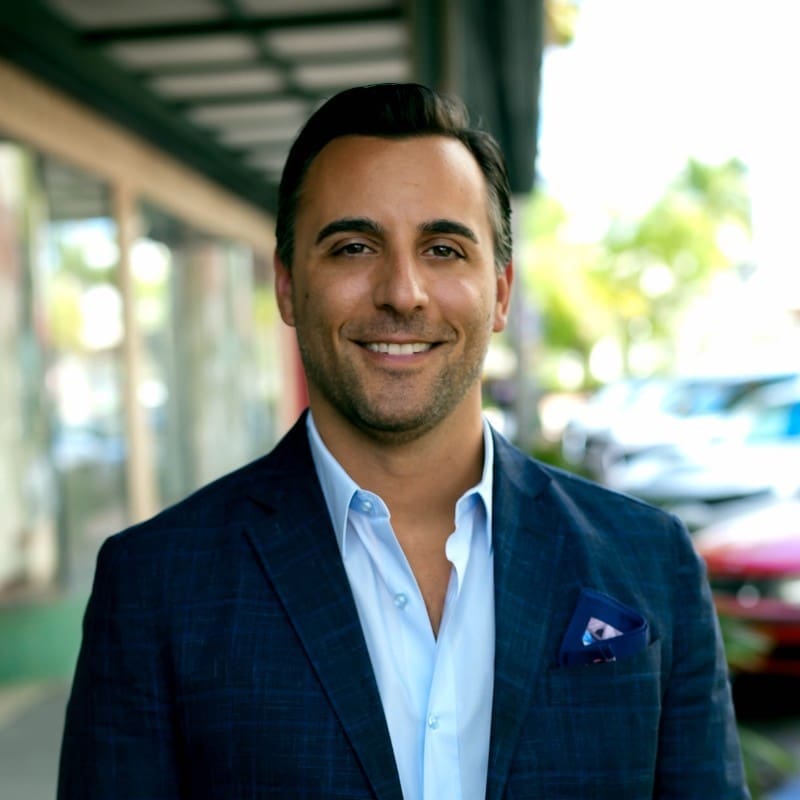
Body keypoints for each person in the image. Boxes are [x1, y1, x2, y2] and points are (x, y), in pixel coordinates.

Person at [57, 83, 749, 799]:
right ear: (289, 287)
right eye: (354, 246)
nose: (403, 291)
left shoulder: (650, 561)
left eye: (444, 248)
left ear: (502, 291)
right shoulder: (155, 586)